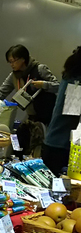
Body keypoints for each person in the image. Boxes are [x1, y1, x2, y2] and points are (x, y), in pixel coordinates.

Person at [0, 45, 59, 126]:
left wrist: (44, 85)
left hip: (50, 116)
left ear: (23, 59)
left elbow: (58, 87)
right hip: (32, 117)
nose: (11, 64)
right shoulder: (14, 76)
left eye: (14, 61)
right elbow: (0, 92)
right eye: (9, 62)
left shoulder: (40, 69)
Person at [42, 47, 81, 176]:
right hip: (60, 145)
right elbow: (72, 113)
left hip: (54, 142)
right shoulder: (75, 82)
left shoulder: (70, 76)